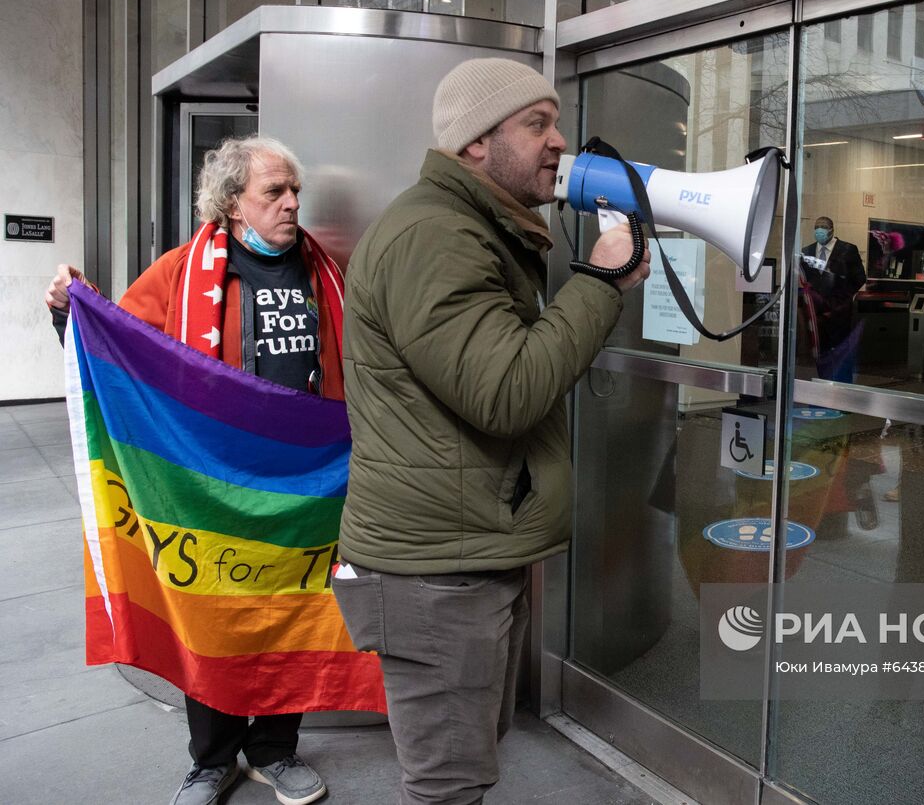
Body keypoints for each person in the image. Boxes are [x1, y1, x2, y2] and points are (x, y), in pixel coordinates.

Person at [330, 58, 650, 804]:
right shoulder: (436, 237)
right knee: (449, 783)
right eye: (536, 124)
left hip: (463, 547)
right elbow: (505, 391)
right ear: (476, 143)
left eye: (555, 121)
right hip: (436, 569)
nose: (558, 142)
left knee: (468, 760)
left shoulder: (472, 226)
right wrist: (599, 285)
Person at [45, 135, 340, 805]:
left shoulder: (324, 270)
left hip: (303, 482)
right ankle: (212, 759)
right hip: (208, 479)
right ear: (235, 203)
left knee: (290, 613)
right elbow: (121, 345)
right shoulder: (182, 272)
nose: (292, 203)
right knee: (211, 615)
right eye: (275, 192)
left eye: (296, 190)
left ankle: (275, 750)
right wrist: (72, 309)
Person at [800, 216, 867, 381]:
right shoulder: (806, 252)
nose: (819, 231)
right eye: (817, 227)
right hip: (817, 316)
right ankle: (821, 385)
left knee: (841, 352)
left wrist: (839, 302)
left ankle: (841, 387)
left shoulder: (847, 250)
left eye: (823, 227)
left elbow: (859, 279)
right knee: (819, 354)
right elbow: (805, 281)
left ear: (832, 230)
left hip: (840, 313)